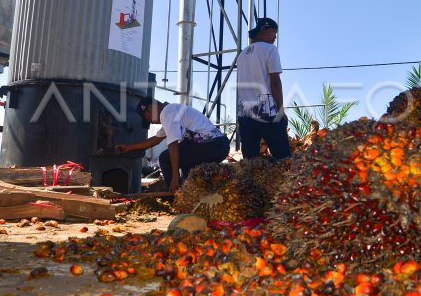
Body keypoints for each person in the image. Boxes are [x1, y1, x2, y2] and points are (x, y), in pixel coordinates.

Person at [116, 97, 230, 192]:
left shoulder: (167, 112)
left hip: (212, 144)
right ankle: (192, 194)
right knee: (186, 164)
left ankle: (174, 196)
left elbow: (173, 144)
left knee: (165, 159)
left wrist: (175, 177)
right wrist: (129, 147)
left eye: (148, 118)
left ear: (151, 108)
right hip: (220, 145)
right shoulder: (172, 111)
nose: (151, 122)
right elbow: (155, 139)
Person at [236, 17, 291, 160]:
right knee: (283, 158)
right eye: (274, 32)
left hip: (245, 114)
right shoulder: (270, 50)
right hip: (268, 113)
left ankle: (251, 182)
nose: (275, 37)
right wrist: (280, 110)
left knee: (250, 161)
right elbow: (275, 82)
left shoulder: (241, 55)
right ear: (264, 29)